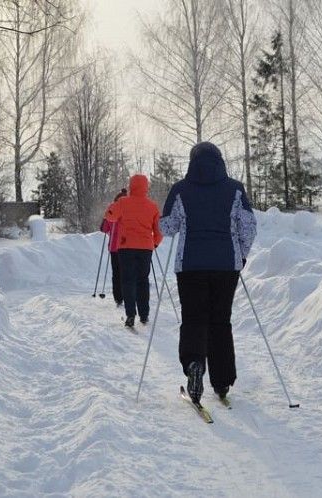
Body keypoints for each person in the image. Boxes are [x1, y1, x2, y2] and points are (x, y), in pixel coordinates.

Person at [160, 142, 257, 405]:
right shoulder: (235, 189)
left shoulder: (181, 189)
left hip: (190, 265)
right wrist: (242, 254)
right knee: (220, 321)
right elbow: (248, 227)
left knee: (193, 318)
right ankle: (222, 380)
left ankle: (194, 364)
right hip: (226, 265)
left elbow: (167, 226)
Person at [104, 175, 163, 328]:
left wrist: (115, 202)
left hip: (126, 247)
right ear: (146, 187)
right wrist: (155, 243)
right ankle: (144, 314)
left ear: (131, 186)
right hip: (145, 248)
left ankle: (131, 314)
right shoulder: (153, 206)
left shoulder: (123, 203)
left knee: (128, 280)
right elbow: (159, 230)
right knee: (143, 280)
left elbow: (109, 216)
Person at [100, 188, 128, 307]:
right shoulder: (131, 209)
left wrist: (105, 217)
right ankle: (129, 295)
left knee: (116, 273)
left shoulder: (111, 210)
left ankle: (118, 297)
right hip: (128, 246)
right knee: (127, 272)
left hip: (114, 247)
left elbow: (104, 228)